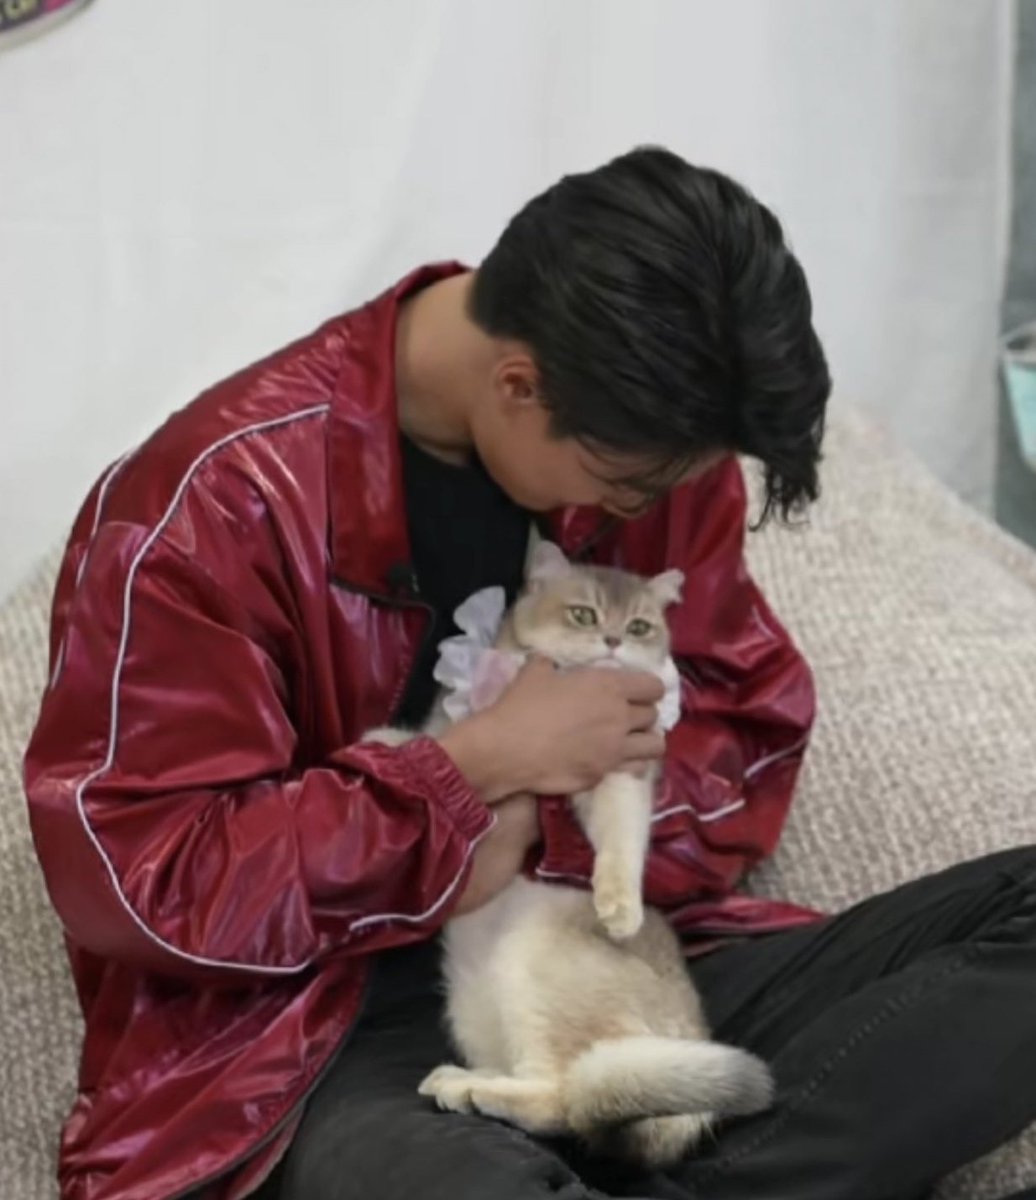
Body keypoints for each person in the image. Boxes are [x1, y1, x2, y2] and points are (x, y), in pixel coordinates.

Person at [22, 147, 1035, 1200]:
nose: (653, 508)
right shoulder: (205, 511)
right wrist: (466, 779)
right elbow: (144, 883)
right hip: (313, 1042)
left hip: (604, 968)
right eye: (631, 486)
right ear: (519, 386)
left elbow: (744, 726)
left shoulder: (648, 450)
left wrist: (556, 825)